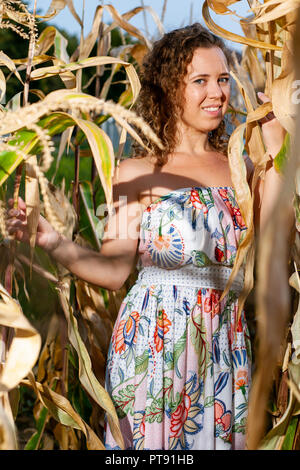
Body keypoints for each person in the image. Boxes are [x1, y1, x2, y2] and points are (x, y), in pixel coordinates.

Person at [6, 23, 288, 450]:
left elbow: (274, 249)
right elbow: (115, 270)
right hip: (154, 344)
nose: (218, 93)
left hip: (225, 344)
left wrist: (276, 145)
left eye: (223, 79)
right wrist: (51, 241)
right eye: (201, 81)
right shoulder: (137, 172)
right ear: (168, 90)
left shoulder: (241, 168)